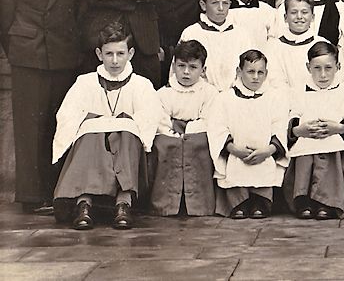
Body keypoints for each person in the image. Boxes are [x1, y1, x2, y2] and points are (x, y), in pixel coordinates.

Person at [0, 0, 81, 214]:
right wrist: (18, 49)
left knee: (58, 123)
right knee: (30, 126)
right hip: (28, 54)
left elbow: (75, 12)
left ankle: (56, 191)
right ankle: (32, 196)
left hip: (62, 54)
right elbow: (4, 15)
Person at [52, 22, 163, 230]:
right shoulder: (85, 83)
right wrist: (96, 123)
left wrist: (119, 125)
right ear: (98, 54)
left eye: (120, 53)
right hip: (92, 145)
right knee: (90, 133)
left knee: (127, 133)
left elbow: (149, 119)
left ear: (130, 53)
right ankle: (83, 203)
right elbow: (68, 115)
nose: (114, 60)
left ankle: (124, 203)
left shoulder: (141, 85)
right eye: (108, 53)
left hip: (126, 144)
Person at [206, 49, 288, 218]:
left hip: (264, 154)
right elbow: (218, 128)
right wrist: (234, 149)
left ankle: (261, 201)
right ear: (239, 71)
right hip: (236, 153)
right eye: (250, 71)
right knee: (235, 171)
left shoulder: (274, 98)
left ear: (266, 74)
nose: (255, 77)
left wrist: (269, 150)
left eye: (260, 72)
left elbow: (280, 126)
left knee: (264, 173)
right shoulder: (225, 99)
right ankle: (238, 202)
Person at [284, 41, 344, 220]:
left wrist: (339, 128)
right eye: (317, 68)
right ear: (308, 67)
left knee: (331, 145)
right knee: (304, 147)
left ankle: (327, 202)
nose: (323, 74)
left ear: (338, 67)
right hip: (306, 137)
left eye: (328, 68)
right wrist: (298, 131)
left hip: (335, 137)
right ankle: (304, 200)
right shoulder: (298, 91)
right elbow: (292, 117)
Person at [149, 40, 218, 216]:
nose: (186, 72)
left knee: (198, 145)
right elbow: (160, 120)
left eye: (193, 67)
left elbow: (210, 119)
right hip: (170, 133)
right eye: (181, 66)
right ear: (174, 66)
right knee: (164, 145)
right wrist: (173, 131)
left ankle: (196, 205)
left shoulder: (209, 93)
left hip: (197, 134)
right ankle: (168, 204)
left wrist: (187, 131)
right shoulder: (163, 93)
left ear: (203, 70)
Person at [178, 0, 257, 91]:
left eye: (225, 3)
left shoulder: (241, 34)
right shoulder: (192, 33)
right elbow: (180, 71)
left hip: (234, 97)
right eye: (215, 3)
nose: (221, 8)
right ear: (203, 5)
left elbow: (251, 69)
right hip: (201, 95)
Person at [264, 0, 331, 90]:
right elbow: (274, 81)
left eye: (304, 12)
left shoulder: (323, 45)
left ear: (312, 17)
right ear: (285, 18)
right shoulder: (274, 47)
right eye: (294, 12)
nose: (299, 17)